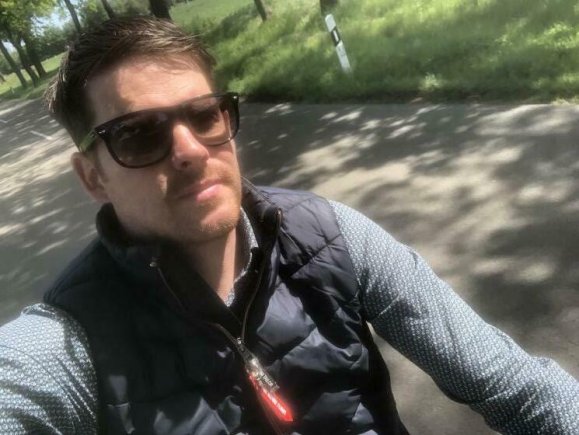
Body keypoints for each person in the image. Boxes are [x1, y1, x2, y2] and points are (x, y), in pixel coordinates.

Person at [0, 16, 578, 435]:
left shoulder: (331, 237)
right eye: (137, 133)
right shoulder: (69, 344)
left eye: (204, 115)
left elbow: (513, 384)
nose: (191, 150)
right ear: (92, 177)